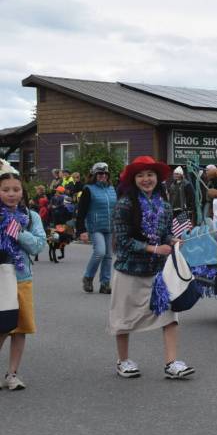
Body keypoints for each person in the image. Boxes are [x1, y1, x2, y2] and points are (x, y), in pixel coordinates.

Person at [109, 156, 194, 380]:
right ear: (133, 179)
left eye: (150, 174)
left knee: (170, 315)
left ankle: (172, 362)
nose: (146, 179)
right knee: (123, 319)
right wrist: (154, 249)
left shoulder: (164, 205)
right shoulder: (125, 204)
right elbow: (123, 240)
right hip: (129, 269)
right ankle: (123, 360)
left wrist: (172, 240)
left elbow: (164, 233)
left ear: (157, 178)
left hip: (158, 272)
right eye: (140, 175)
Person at [0, 160, 46, 390]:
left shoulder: (31, 216)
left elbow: (38, 246)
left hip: (21, 278)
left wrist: (18, 232)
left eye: (16, 189)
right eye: (5, 190)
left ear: (22, 192)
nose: (11, 194)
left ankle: (12, 374)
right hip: (0, 279)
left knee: (20, 328)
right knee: (1, 327)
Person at [75, 162, 117, 294]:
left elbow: (116, 208)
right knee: (100, 252)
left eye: (105, 173)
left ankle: (105, 284)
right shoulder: (88, 189)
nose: (103, 176)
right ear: (94, 175)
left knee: (108, 256)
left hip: (110, 227)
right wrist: (81, 230)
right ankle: (88, 277)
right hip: (95, 227)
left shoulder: (112, 188)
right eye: (100, 173)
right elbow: (81, 211)